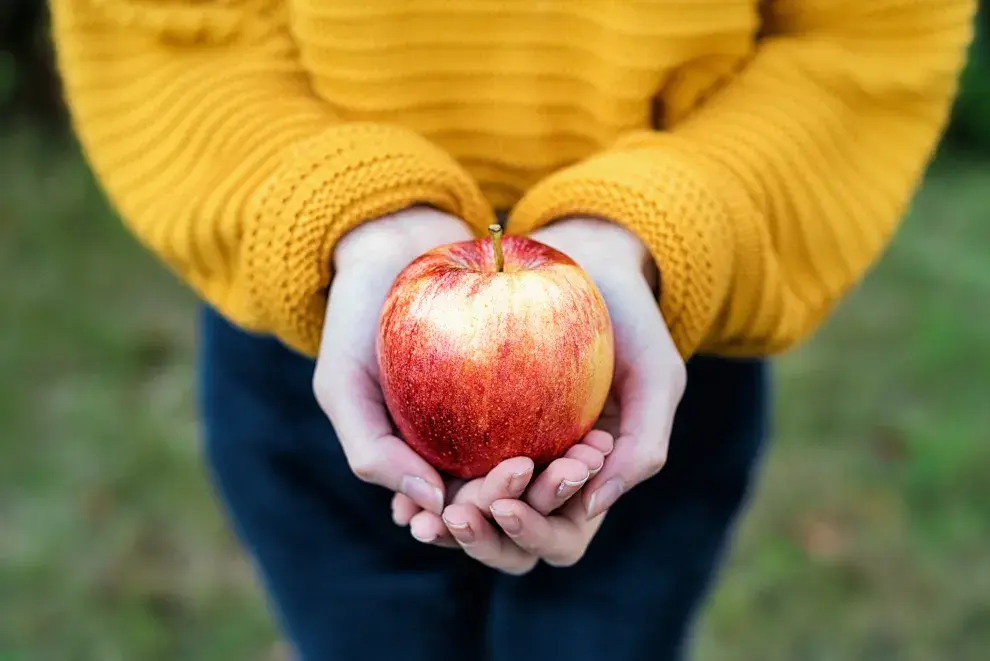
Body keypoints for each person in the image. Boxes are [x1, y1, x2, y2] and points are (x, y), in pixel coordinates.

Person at [49, 0, 974, 659]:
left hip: (645, 344)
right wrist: (349, 213)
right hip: (327, 319)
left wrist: (652, 226)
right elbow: (154, 27)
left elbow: (866, 41)